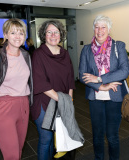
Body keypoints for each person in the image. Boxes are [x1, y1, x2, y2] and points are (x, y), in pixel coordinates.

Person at [0, 18, 33, 160]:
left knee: (18, 151)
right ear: (5, 35)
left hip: (23, 106)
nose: (17, 36)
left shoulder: (26, 55)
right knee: (12, 155)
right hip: (3, 107)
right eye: (13, 32)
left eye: (21, 33)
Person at [79, 15, 129, 160]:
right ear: (93, 29)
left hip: (115, 97)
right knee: (97, 135)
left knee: (112, 135)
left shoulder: (118, 46)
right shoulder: (87, 49)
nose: (99, 30)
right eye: (97, 27)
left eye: (103, 27)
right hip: (95, 97)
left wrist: (100, 78)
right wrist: (101, 87)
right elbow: (82, 74)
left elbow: (124, 71)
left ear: (109, 29)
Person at [31, 19, 75, 160]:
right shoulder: (38, 54)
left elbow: (70, 78)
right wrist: (63, 100)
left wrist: (69, 100)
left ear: (61, 34)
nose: (53, 35)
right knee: (46, 139)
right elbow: (40, 82)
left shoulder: (65, 53)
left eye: (56, 32)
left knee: (58, 138)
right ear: (44, 35)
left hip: (61, 101)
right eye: (49, 32)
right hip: (44, 102)